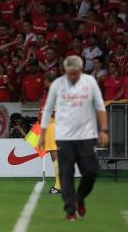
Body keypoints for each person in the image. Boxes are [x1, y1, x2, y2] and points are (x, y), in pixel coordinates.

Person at [39, 56, 109, 221]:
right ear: (65, 71)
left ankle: (80, 197)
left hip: (87, 135)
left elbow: (100, 106)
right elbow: (47, 110)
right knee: (66, 173)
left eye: (75, 73)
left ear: (81, 70)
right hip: (64, 136)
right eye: (69, 73)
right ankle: (70, 209)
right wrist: (42, 134)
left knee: (91, 171)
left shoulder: (90, 83)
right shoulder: (57, 85)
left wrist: (104, 130)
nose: (72, 76)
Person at [40, 72, 61, 194]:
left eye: (45, 81)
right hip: (53, 125)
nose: (44, 83)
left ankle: (58, 186)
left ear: (48, 81)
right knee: (56, 156)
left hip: (53, 125)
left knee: (55, 155)